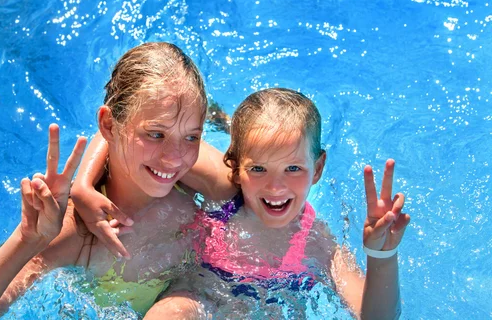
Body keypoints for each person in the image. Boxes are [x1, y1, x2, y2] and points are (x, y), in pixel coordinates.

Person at [0, 42, 235, 319]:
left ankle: (219, 120)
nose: (174, 157)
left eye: (192, 136)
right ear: (108, 125)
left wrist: (83, 184)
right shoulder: (79, 231)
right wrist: (26, 241)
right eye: (156, 134)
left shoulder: (195, 179)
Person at [76, 88, 410, 319]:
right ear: (235, 168)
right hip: (200, 294)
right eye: (258, 169)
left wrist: (382, 254)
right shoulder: (222, 188)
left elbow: (376, 317)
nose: (275, 186)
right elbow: (130, 133)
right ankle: (224, 119)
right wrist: (83, 185)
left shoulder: (318, 244)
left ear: (318, 169)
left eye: (294, 168)